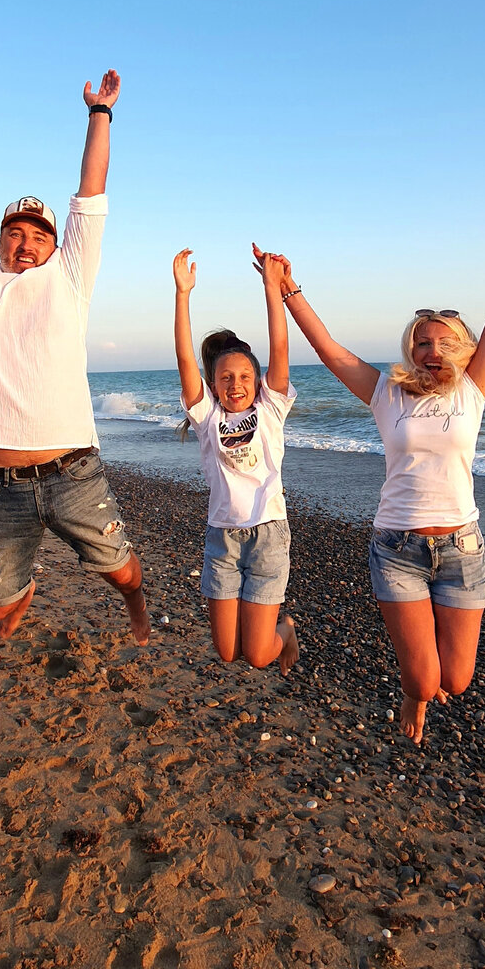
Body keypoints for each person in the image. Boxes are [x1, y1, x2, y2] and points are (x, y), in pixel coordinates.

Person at [260, 214, 485, 743]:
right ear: (413, 349)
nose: (433, 351)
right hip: (396, 548)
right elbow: (331, 351)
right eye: (424, 343)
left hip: (462, 549)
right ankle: (413, 690)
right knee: (425, 682)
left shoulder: (471, 391)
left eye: (445, 343)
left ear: (463, 350)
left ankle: (421, 685)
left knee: (457, 679)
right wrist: (289, 289)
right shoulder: (387, 392)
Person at [0, 72, 149, 644]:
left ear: (56, 246)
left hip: (72, 475)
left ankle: (136, 602)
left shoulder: (70, 279)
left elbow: (91, 186)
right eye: (15, 232)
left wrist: (100, 113)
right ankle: (23, 580)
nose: (26, 242)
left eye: (39, 235)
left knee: (121, 571)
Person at [172, 246, 300, 675]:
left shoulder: (270, 409)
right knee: (228, 652)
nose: (236, 384)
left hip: (268, 537)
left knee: (259, 654)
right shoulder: (207, 417)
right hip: (222, 541)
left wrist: (272, 287)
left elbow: (280, 345)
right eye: (225, 378)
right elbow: (185, 360)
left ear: (259, 381)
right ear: (213, 384)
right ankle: (270, 632)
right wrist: (183, 293)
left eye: (245, 376)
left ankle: (287, 633)